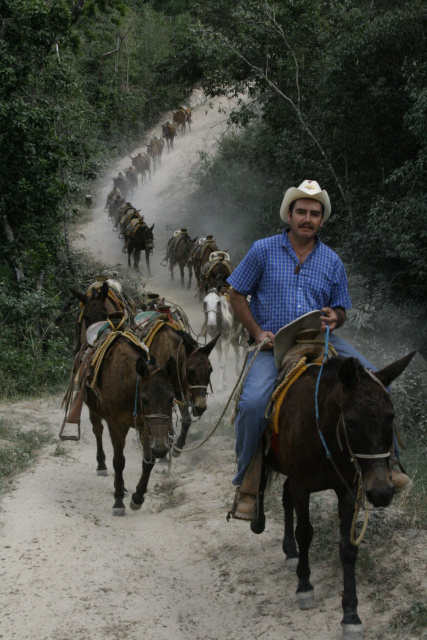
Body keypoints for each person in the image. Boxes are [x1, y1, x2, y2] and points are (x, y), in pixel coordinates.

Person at [227, 179, 411, 520]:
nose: (307, 218)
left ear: (321, 220)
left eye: (314, 213)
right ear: (289, 215)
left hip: (321, 339)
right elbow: (236, 293)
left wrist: (335, 317)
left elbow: (340, 308)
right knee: (252, 403)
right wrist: (256, 332)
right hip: (276, 343)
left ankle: (390, 465)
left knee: (377, 384)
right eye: (301, 212)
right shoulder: (263, 250)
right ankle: (246, 483)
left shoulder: (331, 260)